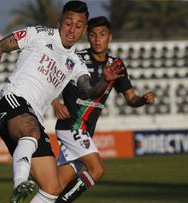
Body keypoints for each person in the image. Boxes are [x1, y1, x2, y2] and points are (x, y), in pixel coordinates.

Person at [0, 1, 123, 202]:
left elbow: (90, 91)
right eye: (68, 23)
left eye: (79, 25)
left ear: (83, 30)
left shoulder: (77, 63)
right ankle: (20, 184)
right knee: (31, 130)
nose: (72, 29)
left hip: (34, 120)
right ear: (59, 22)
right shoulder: (38, 34)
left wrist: (105, 81)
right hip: (13, 101)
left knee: (52, 188)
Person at [52, 16, 155, 202]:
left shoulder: (116, 65)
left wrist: (143, 100)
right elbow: (49, 80)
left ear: (110, 37)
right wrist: (55, 103)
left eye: (102, 34)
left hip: (85, 131)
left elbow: (131, 98)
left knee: (55, 187)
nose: (98, 39)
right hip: (72, 126)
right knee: (96, 170)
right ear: (88, 37)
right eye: (93, 35)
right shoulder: (76, 59)